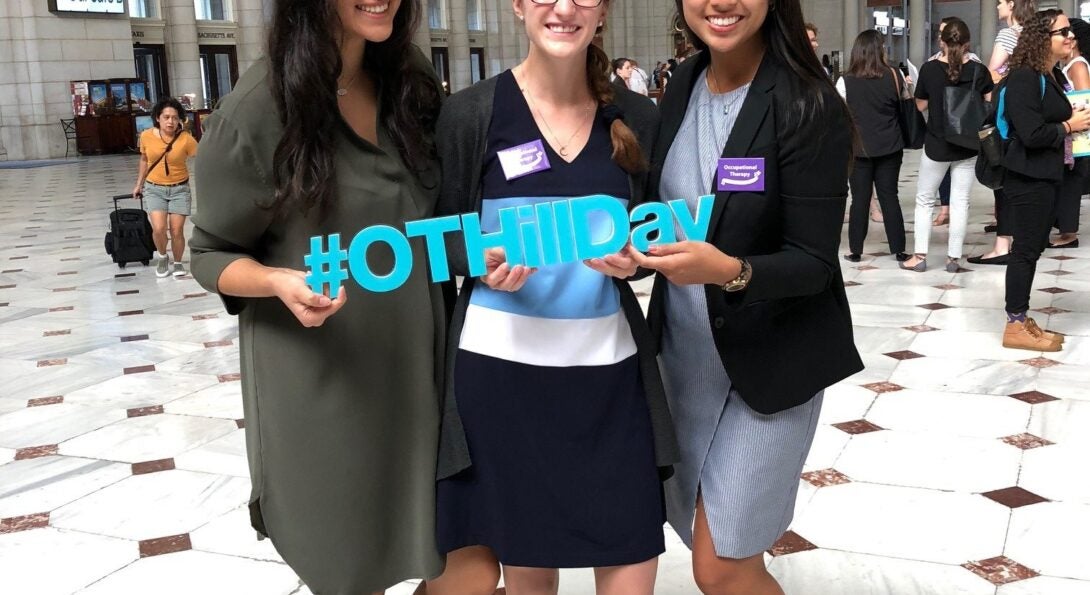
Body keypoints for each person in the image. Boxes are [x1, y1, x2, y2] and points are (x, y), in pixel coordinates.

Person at [188, 0, 448, 592]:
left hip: (416, 362)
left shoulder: (409, 78)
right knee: (347, 553)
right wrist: (277, 281)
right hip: (323, 375)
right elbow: (208, 253)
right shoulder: (259, 110)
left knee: (444, 543)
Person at [425, 0, 678, 593]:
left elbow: (652, 234)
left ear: (603, 10)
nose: (563, 8)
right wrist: (476, 260)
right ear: (517, 5)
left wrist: (635, 263)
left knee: (630, 545)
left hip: (610, 381)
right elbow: (438, 240)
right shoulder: (472, 114)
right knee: (527, 566)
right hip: (501, 382)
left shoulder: (638, 116)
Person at [631, 0, 864, 592]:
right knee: (706, 541)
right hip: (686, 356)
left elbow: (813, 264)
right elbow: (671, 208)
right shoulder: (684, 80)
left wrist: (730, 271)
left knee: (723, 563)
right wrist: (633, 247)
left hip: (768, 366)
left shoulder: (809, 104)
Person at [998, 8, 1090, 350]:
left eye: (1070, 32)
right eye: (1062, 32)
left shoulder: (1049, 75)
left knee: (1033, 249)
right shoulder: (1025, 76)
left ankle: (1021, 318)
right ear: (1042, 38)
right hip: (1027, 177)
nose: (1070, 37)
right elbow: (1030, 133)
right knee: (1024, 251)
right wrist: (1069, 125)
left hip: (1045, 175)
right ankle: (1015, 323)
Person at [903, 18, 994, 273]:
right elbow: (989, 103)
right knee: (960, 202)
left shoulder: (930, 70)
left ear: (941, 42)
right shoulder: (979, 70)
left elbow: (920, 106)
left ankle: (919, 256)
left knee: (924, 200)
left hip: (937, 144)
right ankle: (953, 259)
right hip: (967, 145)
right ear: (967, 44)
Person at [975, 0, 1039, 265]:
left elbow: (992, 75)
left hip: (1006, 112)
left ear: (1012, 5)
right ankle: (1019, 234)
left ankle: (1003, 244)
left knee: (1000, 174)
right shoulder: (1034, 34)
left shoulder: (1008, 34)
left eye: (1001, 2)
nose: (998, 6)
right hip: (1029, 111)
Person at [836, 29, 908, 264]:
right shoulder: (895, 76)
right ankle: (899, 249)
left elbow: (839, 114)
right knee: (890, 197)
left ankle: (856, 250)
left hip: (858, 149)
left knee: (860, 199)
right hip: (890, 145)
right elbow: (903, 107)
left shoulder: (845, 80)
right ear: (880, 51)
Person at [132, 97, 198, 278]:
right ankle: (162, 256)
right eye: (166, 117)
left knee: (177, 230)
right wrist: (139, 184)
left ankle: (177, 263)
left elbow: (201, 157)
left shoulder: (186, 139)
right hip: (154, 188)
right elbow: (144, 160)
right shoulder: (145, 136)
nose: (171, 121)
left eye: (175, 118)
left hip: (180, 189)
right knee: (159, 228)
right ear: (158, 118)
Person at [930, 16, 984, 228]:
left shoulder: (974, 64)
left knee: (930, 196)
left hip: (965, 129)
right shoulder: (933, 63)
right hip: (941, 130)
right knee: (946, 179)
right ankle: (945, 209)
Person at [1052, 17, 1090, 249]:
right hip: (1072, 130)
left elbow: (1084, 96)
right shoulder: (1068, 65)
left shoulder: (1077, 65)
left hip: (1078, 132)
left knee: (1071, 180)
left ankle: (1069, 233)